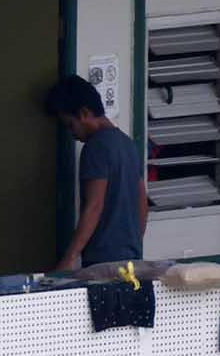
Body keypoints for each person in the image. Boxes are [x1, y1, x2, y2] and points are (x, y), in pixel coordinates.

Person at [44, 77, 148, 272]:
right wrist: (135, 244)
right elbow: (142, 200)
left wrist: (68, 260)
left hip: (102, 261)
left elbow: (94, 206)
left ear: (84, 113)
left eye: (70, 125)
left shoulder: (95, 147)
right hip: (132, 259)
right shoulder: (127, 144)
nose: (72, 134)